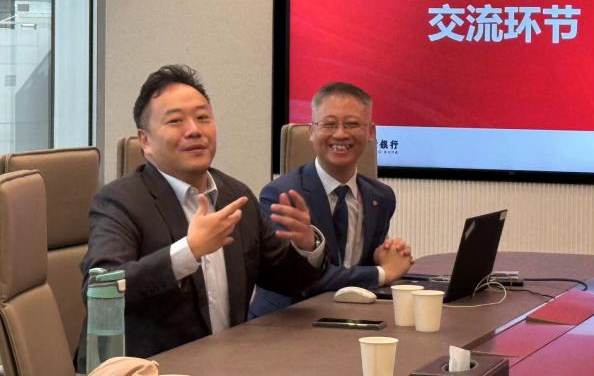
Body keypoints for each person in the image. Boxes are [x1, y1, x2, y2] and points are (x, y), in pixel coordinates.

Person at [75, 65, 326, 371]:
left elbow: (285, 280)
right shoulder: (119, 201)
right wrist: (188, 251)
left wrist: (306, 246)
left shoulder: (235, 195)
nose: (194, 130)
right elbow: (100, 290)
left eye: (203, 118)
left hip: (225, 364)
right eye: (175, 121)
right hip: (149, 369)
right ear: (145, 141)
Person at [249, 82, 412, 318]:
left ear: (370, 133)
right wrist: (383, 272)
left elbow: (357, 271)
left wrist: (384, 256)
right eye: (329, 124)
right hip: (285, 322)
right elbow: (303, 280)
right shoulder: (281, 195)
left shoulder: (381, 197)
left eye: (352, 124)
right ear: (312, 132)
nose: (340, 134)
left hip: (349, 319)